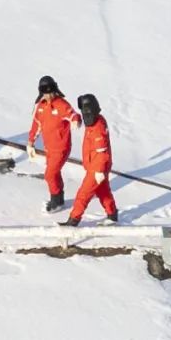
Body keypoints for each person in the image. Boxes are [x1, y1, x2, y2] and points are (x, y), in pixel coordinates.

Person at [60, 93, 117, 227]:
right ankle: (112, 214)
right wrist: (75, 119)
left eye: (87, 111)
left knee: (83, 194)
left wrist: (99, 171)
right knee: (103, 191)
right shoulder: (96, 121)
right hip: (95, 166)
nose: (85, 114)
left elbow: (102, 152)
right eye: (83, 111)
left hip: (97, 168)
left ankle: (73, 220)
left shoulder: (98, 129)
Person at [27, 76, 79, 213]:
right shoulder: (40, 107)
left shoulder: (61, 104)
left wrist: (75, 121)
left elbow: (73, 114)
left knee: (49, 174)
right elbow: (36, 125)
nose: (48, 96)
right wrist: (30, 142)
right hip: (49, 147)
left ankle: (56, 201)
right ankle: (59, 198)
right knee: (54, 173)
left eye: (50, 92)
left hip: (62, 147)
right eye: (45, 93)